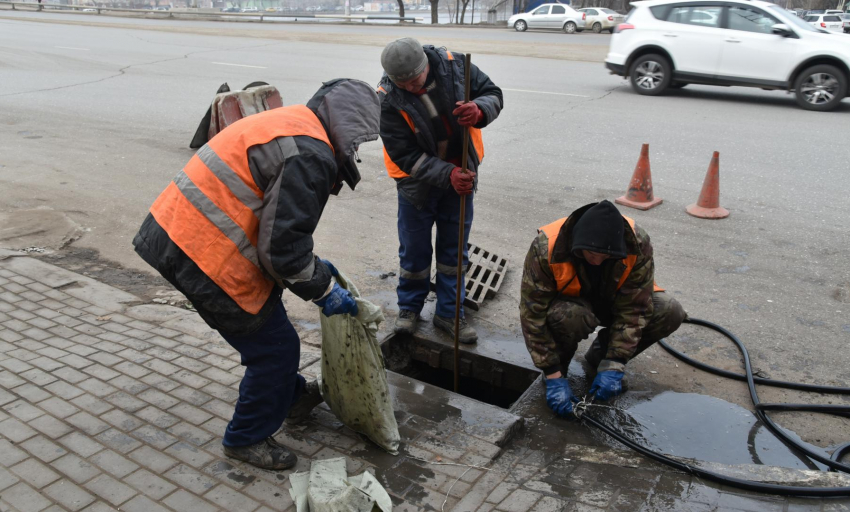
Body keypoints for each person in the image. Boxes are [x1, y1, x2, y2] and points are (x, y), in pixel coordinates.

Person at [133, 79, 380, 469]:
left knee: (271, 327)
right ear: (349, 126)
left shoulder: (296, 121)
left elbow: (277, 229)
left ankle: (292, 398)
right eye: (358, 140)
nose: (356, 149)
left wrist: (314, 272)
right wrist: (324, 288)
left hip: (177, 229)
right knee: (275, 349)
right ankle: (246, 438)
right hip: (202, 253)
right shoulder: (310, 154)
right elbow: (283, 251)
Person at [378, 37, 503, 344]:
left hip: (460, 175)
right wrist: (447, 173)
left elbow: (493, 94)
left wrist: (479, 110)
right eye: (402, 83)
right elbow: (404, 154)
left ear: (426, 67)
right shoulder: (386, 97)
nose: (410, 87)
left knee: (453, 252)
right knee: (415, 251)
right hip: (416, 184)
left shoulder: (456, 67)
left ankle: (450, 313)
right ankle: (409, 309)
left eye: (414, 80)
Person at [519, 200, 686, 417]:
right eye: (591, 255)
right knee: (570, 317)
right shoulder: (546, 247)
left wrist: (615, 361)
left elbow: (635, 308)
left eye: (605, 257)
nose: (597, 262)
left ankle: (600, 360)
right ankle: (560, 368)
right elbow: (532, 313)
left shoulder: (636, 242)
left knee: (670, 311)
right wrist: (552, 372)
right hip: (571, 306)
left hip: (613, 300)